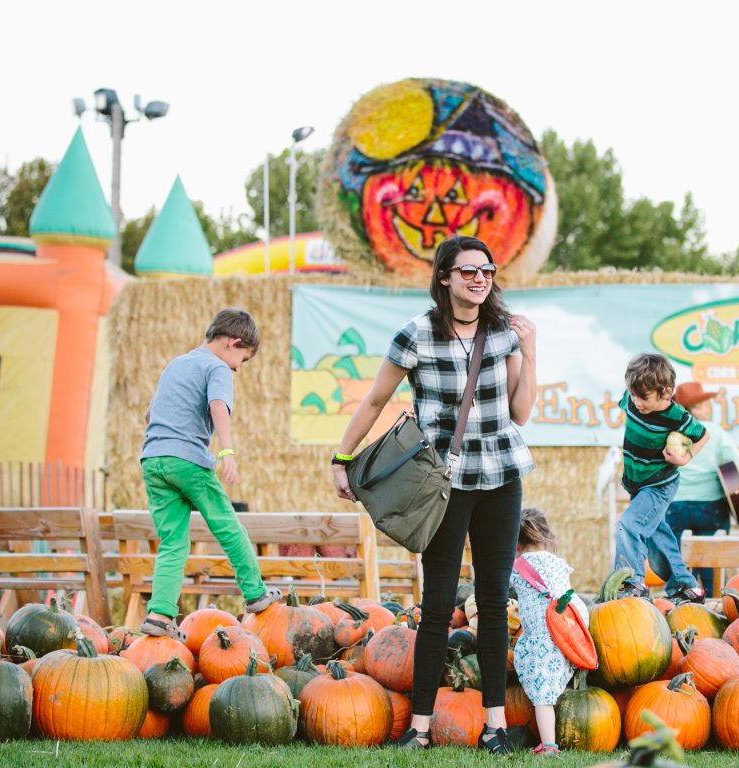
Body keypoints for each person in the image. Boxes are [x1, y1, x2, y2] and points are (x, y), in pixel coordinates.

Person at [330, 236, 537, 754]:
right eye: (468, 270)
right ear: (444, 277)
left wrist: (530, 351)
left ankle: (494, 726)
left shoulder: (503, 332)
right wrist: (342, 457)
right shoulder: (416, 334)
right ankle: (418, 729)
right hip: (443, 482)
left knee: (492, 603)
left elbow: (521, 412)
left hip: (502, 476)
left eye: (486, 270)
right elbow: (377, 398)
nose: (479, 278)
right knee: (438, 603)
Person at [138, 309, 281, 641]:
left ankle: (159, 615)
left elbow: (150, 412)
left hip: (153, 460)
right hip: (188, 461)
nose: (237, 369)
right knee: (228, 526)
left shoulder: (176, 364)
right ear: (234, 343)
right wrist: (227, 450)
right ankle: (256, 592)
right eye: (240, 361)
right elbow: (218, 404)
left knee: (172, 542)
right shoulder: (217, 367)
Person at [615, 354, 709, 601]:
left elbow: (703, 436)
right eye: (633, 394)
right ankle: (685, 585)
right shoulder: (631, 399)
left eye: (643, 397)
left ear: (666, 392)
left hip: (658, 485)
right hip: (636, 484)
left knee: (629, 524)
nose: (636, 402)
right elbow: (632, 401)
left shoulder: (676, 416)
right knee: (658, 532)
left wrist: (685, 457)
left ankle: (631, 582)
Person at [510, 508, 585, 756]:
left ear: (516, 542)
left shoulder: (518, 567)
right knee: (556, 685)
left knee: (543, 698)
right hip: (566, 633)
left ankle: (549, 745)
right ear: (546, 536)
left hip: (541, 641)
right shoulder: (558, 563)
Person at [665, 381, 739, 592]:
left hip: (674, 508)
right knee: (714, 573)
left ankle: (678, 609)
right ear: (692, 409)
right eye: (703, 404)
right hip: (711, 509)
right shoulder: (715, 432)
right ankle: (715, 609)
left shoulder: (668, 434)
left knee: (679, 573)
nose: (708, 408)